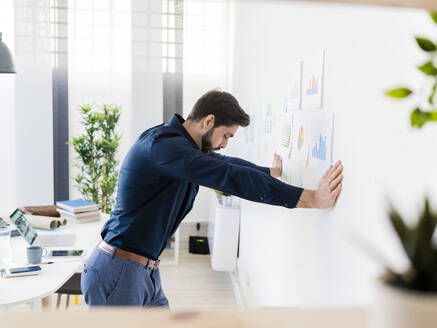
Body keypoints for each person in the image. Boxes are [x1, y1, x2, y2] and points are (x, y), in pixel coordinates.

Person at [81, 89, 344, 307]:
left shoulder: (179, 146)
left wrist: (269, 172)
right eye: (226, 135)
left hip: (143, 271)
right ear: (208, 121)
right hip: (118, 271)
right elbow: (228, 174)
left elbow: (225, 163)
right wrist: (311, 198)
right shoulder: (165, 147)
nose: (225, 143)